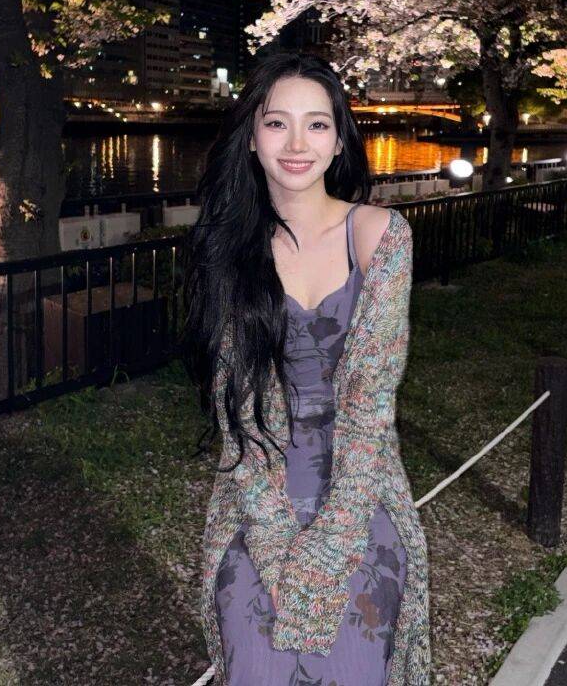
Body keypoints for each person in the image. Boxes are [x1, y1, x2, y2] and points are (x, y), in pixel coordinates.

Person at [181, 51, 431, 685]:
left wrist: (330, 546)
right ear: (250, 138)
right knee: (252, 647)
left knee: (355, 649)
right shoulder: (227, 247)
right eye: (277, 123)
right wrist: (273, 545)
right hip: (257, 483)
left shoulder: (379, 235)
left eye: (317, 124)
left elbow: (370, 401)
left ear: (340, 139)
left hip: (359, 484)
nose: (297, 144)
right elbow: (239, 410)